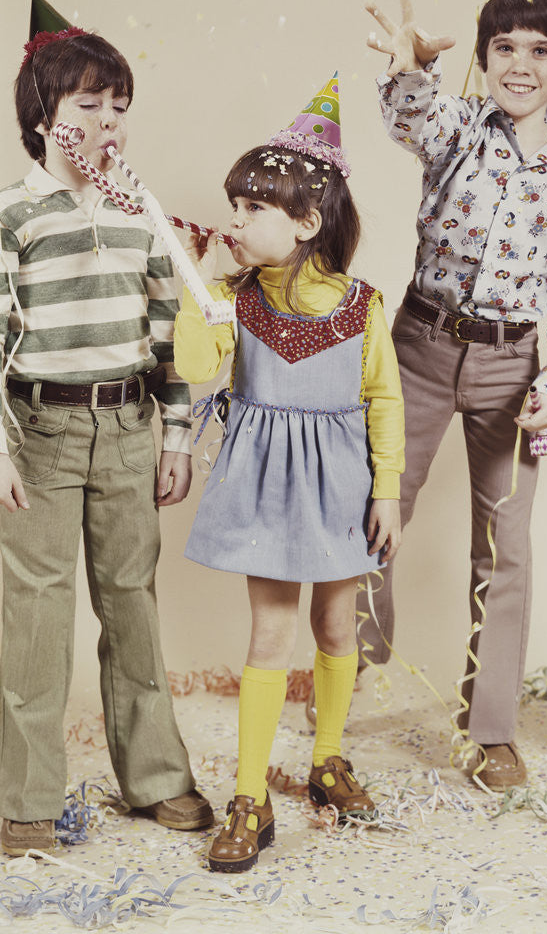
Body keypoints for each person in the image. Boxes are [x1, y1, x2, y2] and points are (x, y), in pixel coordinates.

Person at [357, 0, 547, 790]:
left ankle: (491, 726)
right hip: (420, 349)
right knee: (371, 499)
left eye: (539, 50)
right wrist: (405, 63)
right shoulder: (459, 127)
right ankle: (353, 644)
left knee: (504, 548)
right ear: (482, 55)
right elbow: (410, 115)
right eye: (503, 46)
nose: (519, 64)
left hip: (514, 368)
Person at [0, 0, 213, 858]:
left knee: (133, 605)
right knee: (36, 618)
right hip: (42, 437)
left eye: (118, 105)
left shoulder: (142, 214)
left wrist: (174, 435)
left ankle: (157, 778)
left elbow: (169, 331)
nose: (106, 121)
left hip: (126, 427)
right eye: (87, 104)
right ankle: (26, 800)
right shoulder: (14, 217)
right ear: (45, 113)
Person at [174, 75, 404, 872]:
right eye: (233, 206)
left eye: (252, 209)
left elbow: (382, 398)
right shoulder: (233, 299)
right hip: (265, 487)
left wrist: (387, 491)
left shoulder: (363, 304)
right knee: (270, 634)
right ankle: (249, 796)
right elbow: (194, 364)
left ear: (306, 222)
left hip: (340, 487)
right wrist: (204, 282)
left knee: (335, 629)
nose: (233, 221)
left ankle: (327, 759)